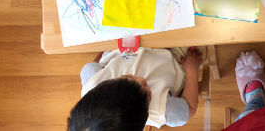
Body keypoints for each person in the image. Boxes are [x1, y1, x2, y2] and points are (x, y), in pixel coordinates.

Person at [67, 47, 202, 130]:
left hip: (125, 45)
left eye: (127, 77)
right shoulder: (163, 110)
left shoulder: (91, 81)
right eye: (147, 91)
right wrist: (191, 71)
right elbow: (189, 107)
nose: (142, 80)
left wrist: (106, 47)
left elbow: (94, 63)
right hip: (172, 53)